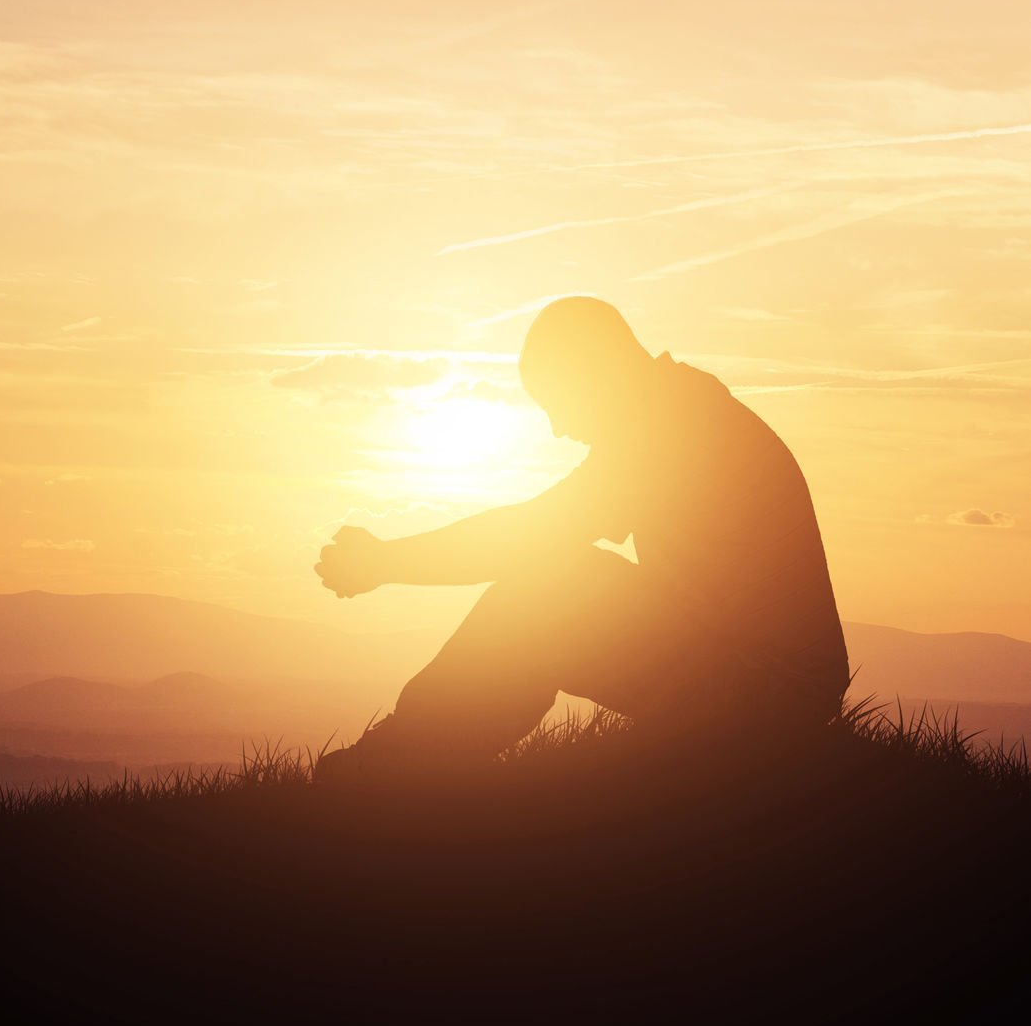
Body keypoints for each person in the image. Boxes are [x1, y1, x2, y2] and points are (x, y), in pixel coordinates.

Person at [312, 297, 849, 774]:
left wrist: (383, 563)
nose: (558, 429)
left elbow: (530, 534)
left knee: (546, 589)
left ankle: (399, 767)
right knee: (555, 579)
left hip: (770, 693)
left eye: (557, 402)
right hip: (774, 684)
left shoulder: (674, 429)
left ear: (593, 376)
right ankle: (417, 759)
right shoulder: (682, 409)